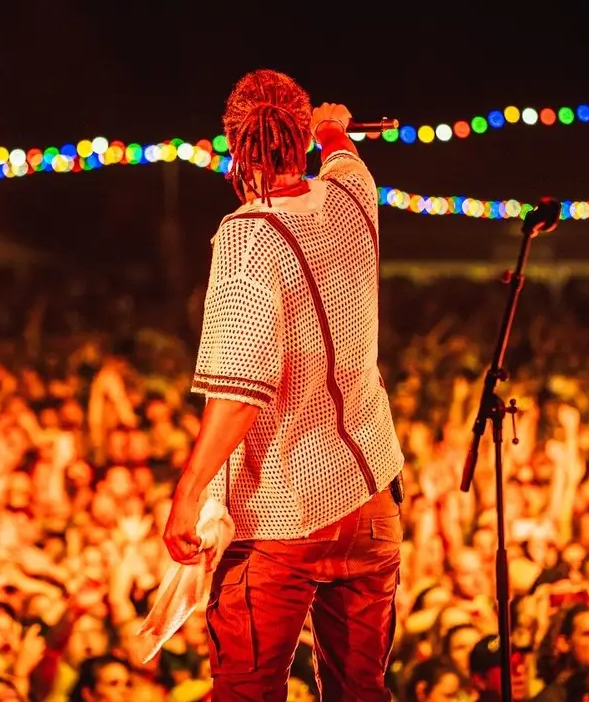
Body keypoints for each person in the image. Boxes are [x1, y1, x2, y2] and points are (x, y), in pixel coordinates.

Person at [162, 69, 406, 701]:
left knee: (248, 691)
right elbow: (344, 156)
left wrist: (187, 494)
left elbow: (242, 387)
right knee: (362, 691)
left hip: (281, 514)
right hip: (371, 498)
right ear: (302, 137)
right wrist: (331, 127)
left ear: (235, 147)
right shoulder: (355, 195)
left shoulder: (248, 235)